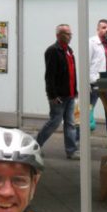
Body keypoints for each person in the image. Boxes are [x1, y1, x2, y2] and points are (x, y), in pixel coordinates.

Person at [36, 24, 78, 159]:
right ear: (58, 35)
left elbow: (72, 73)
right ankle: (34, 146)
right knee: (54, 122)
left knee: (70, 123)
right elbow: (50, 75)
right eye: (67, 34)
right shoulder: (53, 51)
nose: (70, 36)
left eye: (70, 33)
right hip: (59, 96)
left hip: (70, 94)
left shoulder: (69, 51)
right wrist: (52, 95)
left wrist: (75, 90)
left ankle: (71, 151)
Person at [76, 19, 107, 149]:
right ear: (98, 29)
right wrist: (86, 84)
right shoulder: (91, 43)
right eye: (104, 27)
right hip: (94, 84)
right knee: (83, 112)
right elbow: (85, 63)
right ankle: (77, 141)